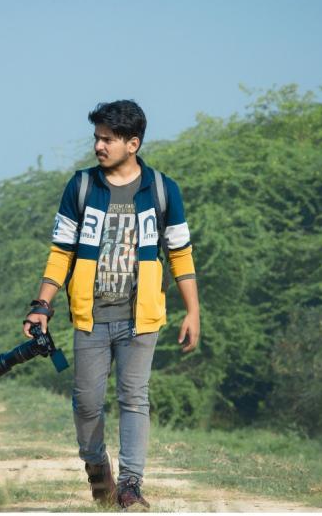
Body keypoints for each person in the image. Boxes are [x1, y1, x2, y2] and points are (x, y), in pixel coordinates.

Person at [22, 99, 200, 511]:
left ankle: (131, 485)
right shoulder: (82, 186)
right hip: (91, 315)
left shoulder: (162, 189)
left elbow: (180, 254)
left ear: (132, 143)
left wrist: (193, 311)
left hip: (142, 317)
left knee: (134, 398)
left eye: (107, 139)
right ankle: (97, 470)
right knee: (86, 402)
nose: (98, 146)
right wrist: (41, 304)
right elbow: (61, 251)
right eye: (97, 138)